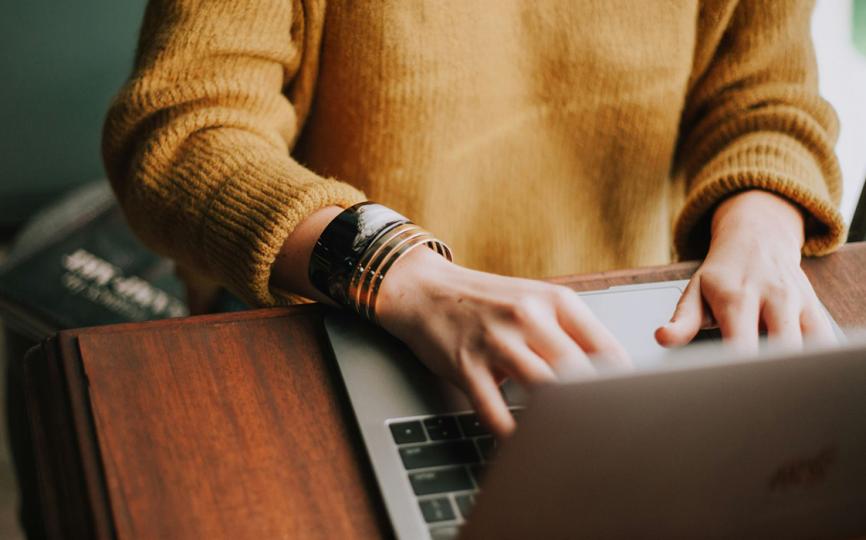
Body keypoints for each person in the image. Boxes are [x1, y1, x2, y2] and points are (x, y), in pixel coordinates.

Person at [103, 0, 846, 437]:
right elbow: (182, 131)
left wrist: (762, 227)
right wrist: (400, 272)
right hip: (339, 330)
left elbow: (765, 98)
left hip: (623, 344)